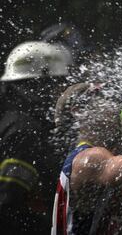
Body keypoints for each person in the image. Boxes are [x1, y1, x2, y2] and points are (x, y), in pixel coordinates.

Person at [51, 84, 122, 235]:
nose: (113, 101)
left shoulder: (101, 154)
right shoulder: (87, 159)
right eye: (102, 95)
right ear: (79, 111)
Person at [0, 41, 73, 234]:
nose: (61, 92)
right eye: (57, 84)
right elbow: (7, 204)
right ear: (37, 85)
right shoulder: (25, 132)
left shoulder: (13, 120)